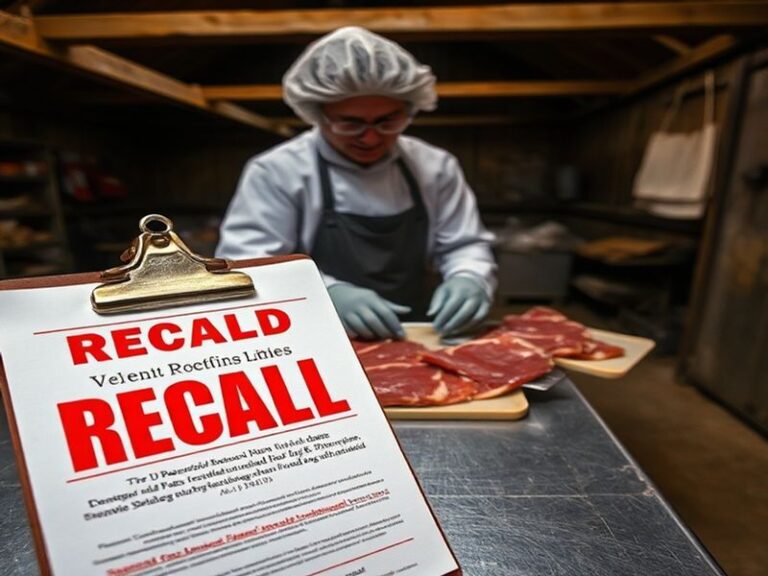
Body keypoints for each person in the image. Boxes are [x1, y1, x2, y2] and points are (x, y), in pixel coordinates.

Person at [217, 26, 496, 340]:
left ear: (409, 110)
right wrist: (326, 293)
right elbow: (249, 262)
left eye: (387, 121)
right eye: (351, 123)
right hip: (310, 331)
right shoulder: (278, 171)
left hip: (415, 329)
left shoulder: (434, 166)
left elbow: (464, 244)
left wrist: (470, 277)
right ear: (318, 115)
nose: (371, 137)